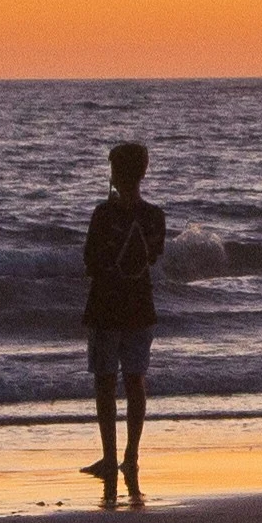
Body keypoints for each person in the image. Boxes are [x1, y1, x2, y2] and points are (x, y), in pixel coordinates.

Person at [81, 138, 165, 487]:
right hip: (140, 306)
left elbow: (90, 260)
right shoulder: (155, 217)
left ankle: (111, 456)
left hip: (105, 307)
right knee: (135, 380)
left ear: (115, 174)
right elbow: (153, 256)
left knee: (105, 382)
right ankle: (131, 456)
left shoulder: (104, 214)